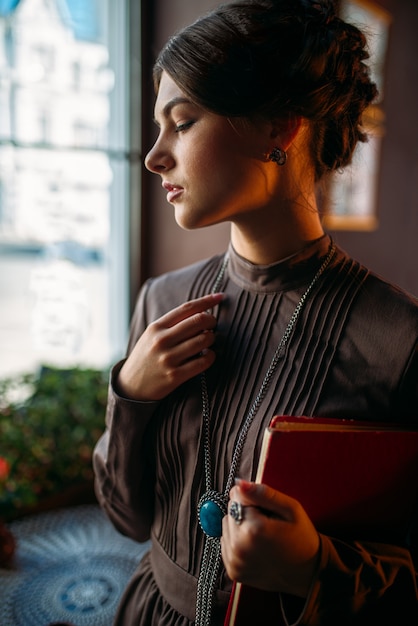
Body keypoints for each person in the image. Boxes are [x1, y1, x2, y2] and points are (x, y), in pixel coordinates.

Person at [93, 0, 418, 624]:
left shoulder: (400, 343)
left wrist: (311, 568)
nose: (154, 156)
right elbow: (126, 517)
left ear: (278, 128)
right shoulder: (162, 302)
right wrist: (131, 393)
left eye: (181, 123)